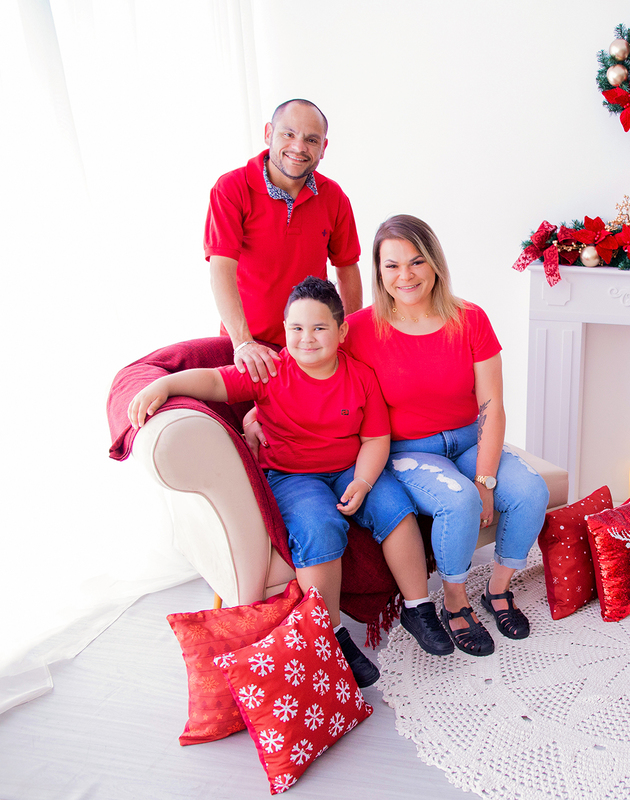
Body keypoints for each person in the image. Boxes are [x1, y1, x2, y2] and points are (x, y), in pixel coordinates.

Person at [128, 277, 453, 687]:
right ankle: (330, 635)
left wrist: (366, 481)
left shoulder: (361, 376)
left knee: (397, 510)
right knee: (318, 529)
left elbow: (375, 439)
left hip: (350, 467)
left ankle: (417, 607)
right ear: (285, 331)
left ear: (341, 331)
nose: (307, 339)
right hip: (292, 475)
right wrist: (165, 384)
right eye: (296, 329)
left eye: (319, 328)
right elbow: (213, 383)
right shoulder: (271, 370)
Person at [347, 215, 550, 656]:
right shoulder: (360, 329)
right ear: (378, 272)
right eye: (392, 266)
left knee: (532, 490)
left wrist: (487, 479)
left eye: (417, 262)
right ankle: (454, 604)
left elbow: (492, 407)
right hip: (409, 451)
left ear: (435, 264)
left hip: (469, 438)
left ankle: (496, 591)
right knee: (458, 502)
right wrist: (258, 410)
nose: (406, 276)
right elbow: (307, 360)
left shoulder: (470, 319)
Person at [205, 98, 363, 384]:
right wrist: (243, 342)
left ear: (323, 148)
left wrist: (348, 339)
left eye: (311, 139)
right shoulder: (230, 188)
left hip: (310, 348)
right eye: (288, 134)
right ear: (268, 133)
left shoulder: (334, 197)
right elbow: (221, 270)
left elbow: (347, 268)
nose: (299, 147)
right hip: (251, 350)